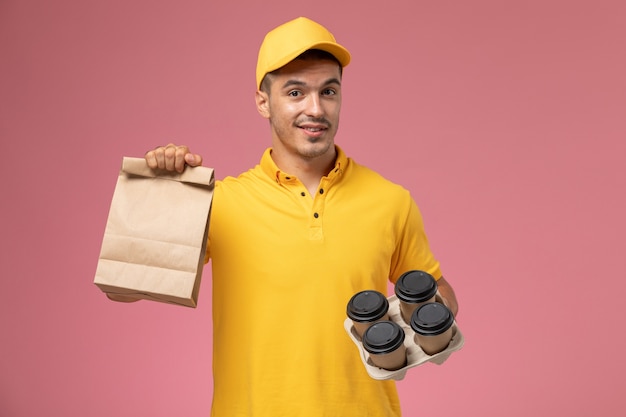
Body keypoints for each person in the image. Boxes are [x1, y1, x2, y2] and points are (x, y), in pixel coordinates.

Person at [144, 16, 458, 417]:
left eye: (329, 91)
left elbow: (437, 293)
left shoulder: (391, 200)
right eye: (295, 92)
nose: (316, 109)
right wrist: (158, 190)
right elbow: (128, 285)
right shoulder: (220, 202)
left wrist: (433, 316)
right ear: (263, 102)